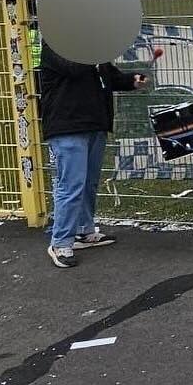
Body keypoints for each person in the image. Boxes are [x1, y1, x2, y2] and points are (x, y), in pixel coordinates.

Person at [38, 43, 146, 268]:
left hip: (94, 123)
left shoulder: (92, 48)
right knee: (71, 185)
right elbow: (73, 68)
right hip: (67, 125)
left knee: (88, 183)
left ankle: (84, 231)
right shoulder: (55, 45)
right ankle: (60, 242)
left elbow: (107, 75)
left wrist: (131, 81)